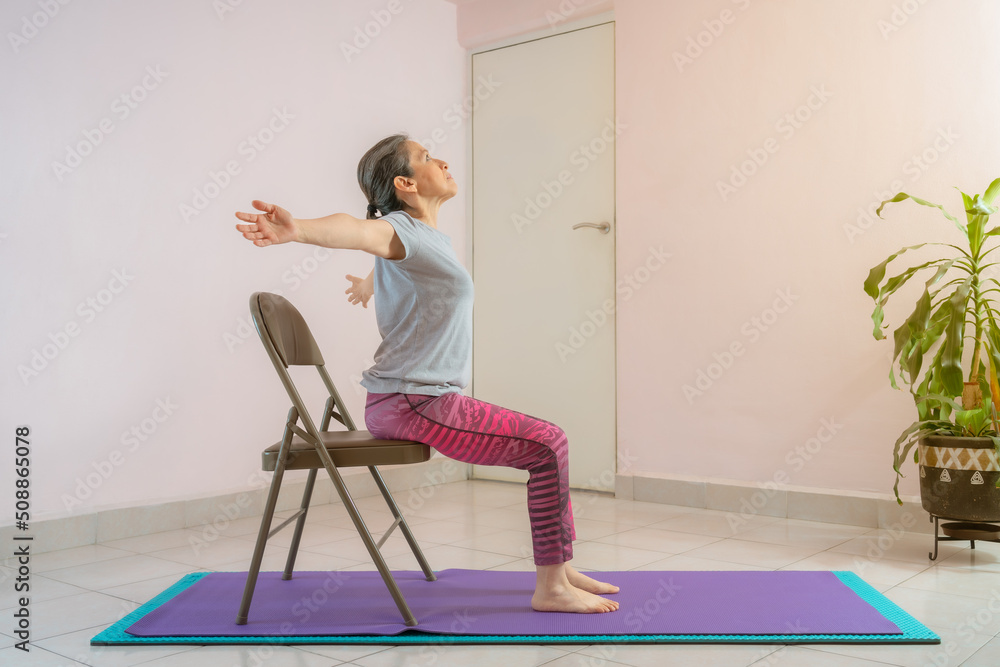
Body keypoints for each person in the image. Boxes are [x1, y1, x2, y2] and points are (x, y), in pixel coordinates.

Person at [234, 133, 619, 614]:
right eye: (425, 158)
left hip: (417, 400)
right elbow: (356, 229)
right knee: (548, 444)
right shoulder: (400, 229)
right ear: (406, 183)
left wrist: (371, 282)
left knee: (549, 444)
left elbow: (398, 258)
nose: (441, 161)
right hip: (414, 403)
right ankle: (551, 586)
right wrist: (300, 230)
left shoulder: (423, 239)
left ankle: (558, 568)